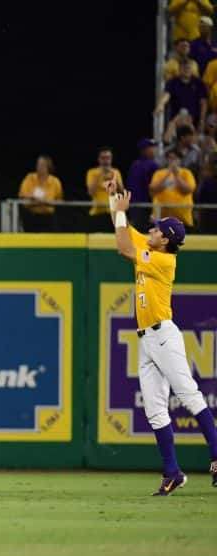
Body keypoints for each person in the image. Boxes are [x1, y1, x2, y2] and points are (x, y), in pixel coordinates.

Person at [109, 186, 217, 494]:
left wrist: (119, 212)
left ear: (166, 239)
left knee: (189, 395)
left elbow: (123, 246)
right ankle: (172, 472)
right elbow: (122, 228)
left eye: (157, 229)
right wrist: (113, 200)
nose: (152, 229)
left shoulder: (163, 261)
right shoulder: (152, 248)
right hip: (147, 340)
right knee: (155, 409)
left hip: (163, 335)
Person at [150, 149, 197, 228]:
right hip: (161, 217)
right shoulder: (159, 173)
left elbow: (188, 190)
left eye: (175, 158)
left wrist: (176, 175)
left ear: (180, 160)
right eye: (170, 158)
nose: (172, 161)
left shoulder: (186, 173)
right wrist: (168, 174)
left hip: (182, 218)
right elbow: (153, 188)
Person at [17, 155, 62, 232]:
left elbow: (59, 200)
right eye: (38, 164)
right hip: (31, 215)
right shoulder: (30, 178)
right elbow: (22, 194)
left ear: (48, 167)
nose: (39, 167)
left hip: (48, 217)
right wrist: (33, 197)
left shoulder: (55, 182)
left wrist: (44, 200)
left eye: (42, 165)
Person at [161, 62, 208, 131]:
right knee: (179, 117)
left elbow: (203, 103)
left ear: (191, 69)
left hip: (194, 119)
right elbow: (166, 95)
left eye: (188, 68)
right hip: (176, 119)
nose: (186, 70)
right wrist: (160, 105)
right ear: (179, 69)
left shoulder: (199, 84)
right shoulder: (172, 83)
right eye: (184, 68)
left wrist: (202, 120)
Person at [86, 147, 123, 232]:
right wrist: (99, 175)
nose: (105, 161)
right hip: (97, 212)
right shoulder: (92, 172)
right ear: (99, 159)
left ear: (111, 159)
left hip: (114, 213)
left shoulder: (116, 172)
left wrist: (114, 177)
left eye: (108, 158)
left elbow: (121, 192)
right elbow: (91, 192)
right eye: (103, 158)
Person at [126, 139, 161, 228]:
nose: (153, 150)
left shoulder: (134, 164)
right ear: (144, 150)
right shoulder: (153, 165)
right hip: (148, 205)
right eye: (151, 148)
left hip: (134, 205)